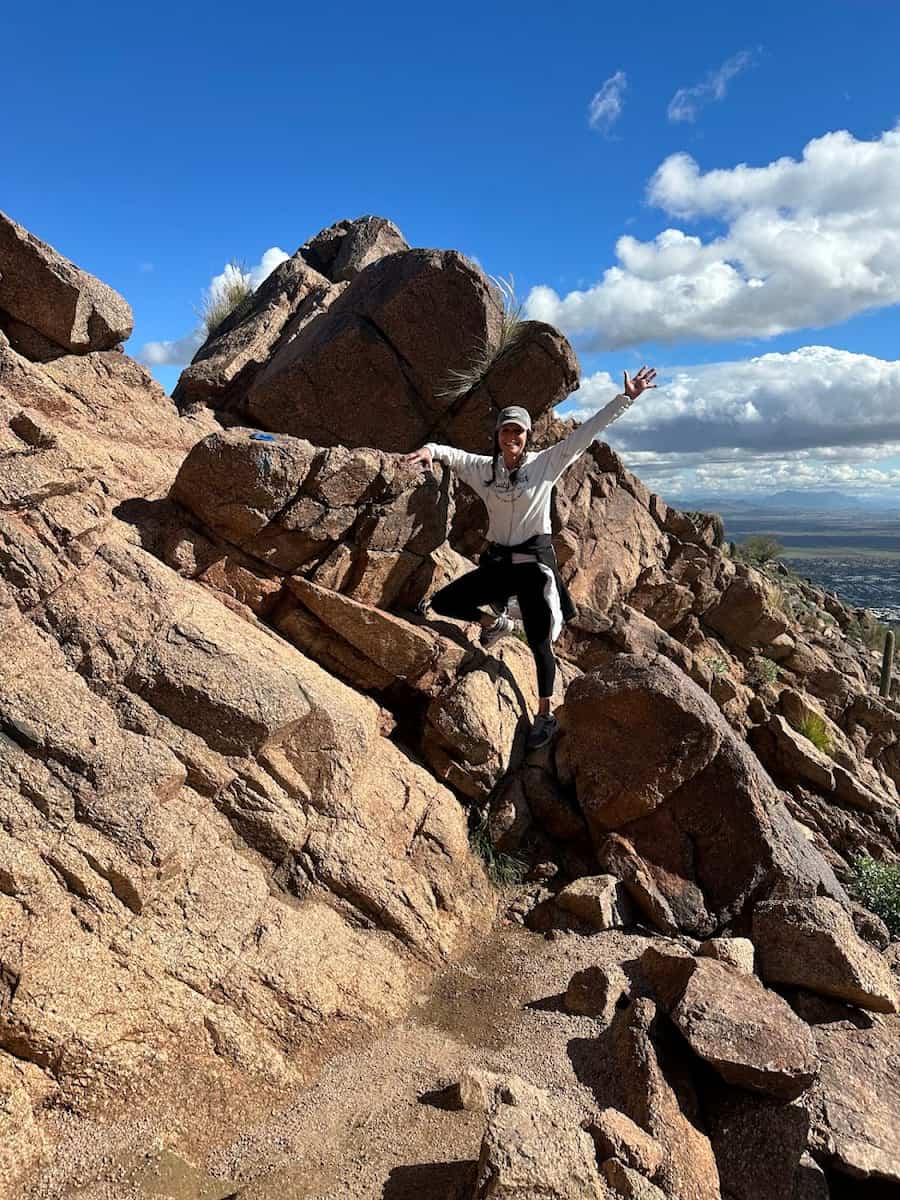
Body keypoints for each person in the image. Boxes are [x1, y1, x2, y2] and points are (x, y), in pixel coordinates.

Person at [401, 366, 657, 750]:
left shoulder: (545, 464)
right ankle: (500, 622)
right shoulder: (485, 470)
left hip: (534, 571)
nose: (512, 437)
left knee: (540, 644)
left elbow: (586, 433)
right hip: (501, 566)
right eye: (506, 430)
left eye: (518, 431)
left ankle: (544, 715)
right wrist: (430, 452)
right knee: (444, 602)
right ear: (498, 435)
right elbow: (451, 454)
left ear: (527, 435)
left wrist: (626, 398)